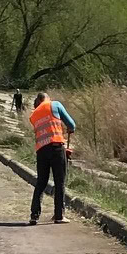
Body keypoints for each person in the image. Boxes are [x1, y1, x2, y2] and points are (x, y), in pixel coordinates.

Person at [27, 91, 75, 225]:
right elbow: (71, 124)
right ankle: (59, 215)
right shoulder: (55, 105)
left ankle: (34, 215)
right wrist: (69, 129)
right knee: (59, 181)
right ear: (47, 99)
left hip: (41, 150)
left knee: (41, 182)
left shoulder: (34, 115)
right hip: (56, 147)